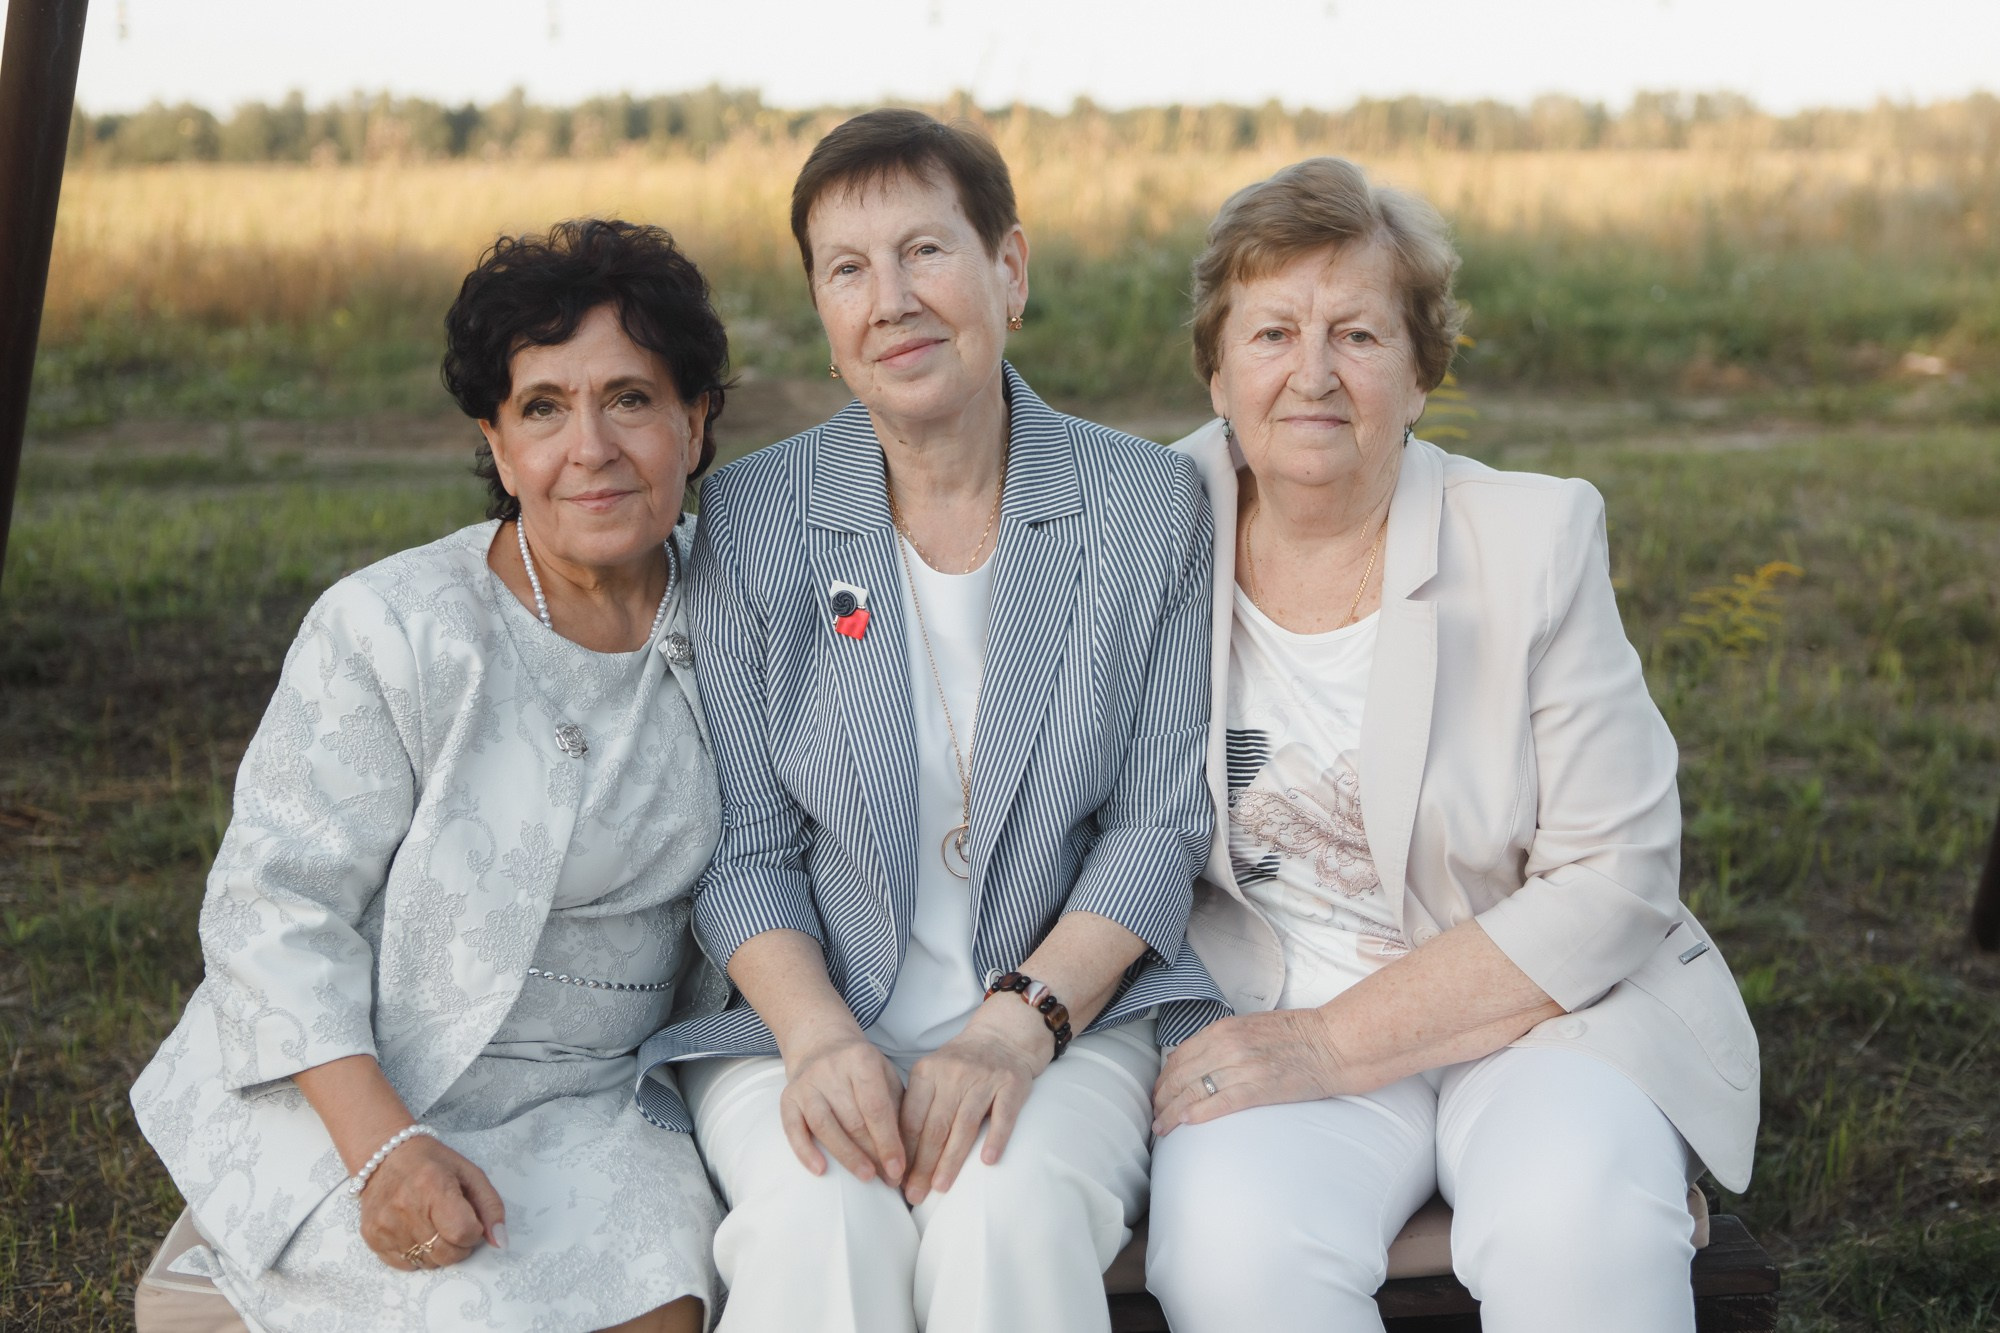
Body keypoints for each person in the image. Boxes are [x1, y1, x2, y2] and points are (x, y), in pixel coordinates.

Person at [1142, 157, 1760, 1333]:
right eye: (1270, 331)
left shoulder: (1530, 536)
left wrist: (1337, 1042)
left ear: (1421, 372)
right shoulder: (1149, 529)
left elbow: (1614, 878)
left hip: (1539, 1015)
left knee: (1572, 1217)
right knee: (1232, 1257)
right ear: (1215, 370)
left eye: (1360, 335)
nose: (1311, 374)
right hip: (1265, 1022)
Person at [635, 108, 1223, 1333]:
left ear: (1008, 270)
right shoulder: (751, 521)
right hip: (801, 1013)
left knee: (1003, 1212)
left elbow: (1157, 825)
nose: (889, 299)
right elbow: (743, 851)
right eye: (846, 269)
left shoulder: (1145, 504)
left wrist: (1015, 1028)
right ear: (823, 316)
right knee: (819, 1222)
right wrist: (819, 1040)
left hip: (1068, 1018)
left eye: (924, 252)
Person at [130, 218, 732, 1333]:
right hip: (363, 1078)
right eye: (542, 407)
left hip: (608, 1096)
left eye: (631, 398)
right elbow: (272, 907)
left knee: (655, 1304)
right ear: (498, 449)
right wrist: (387, 1146)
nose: (589, 445)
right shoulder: (391, 626)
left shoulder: (742, 608)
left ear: (693, 425)